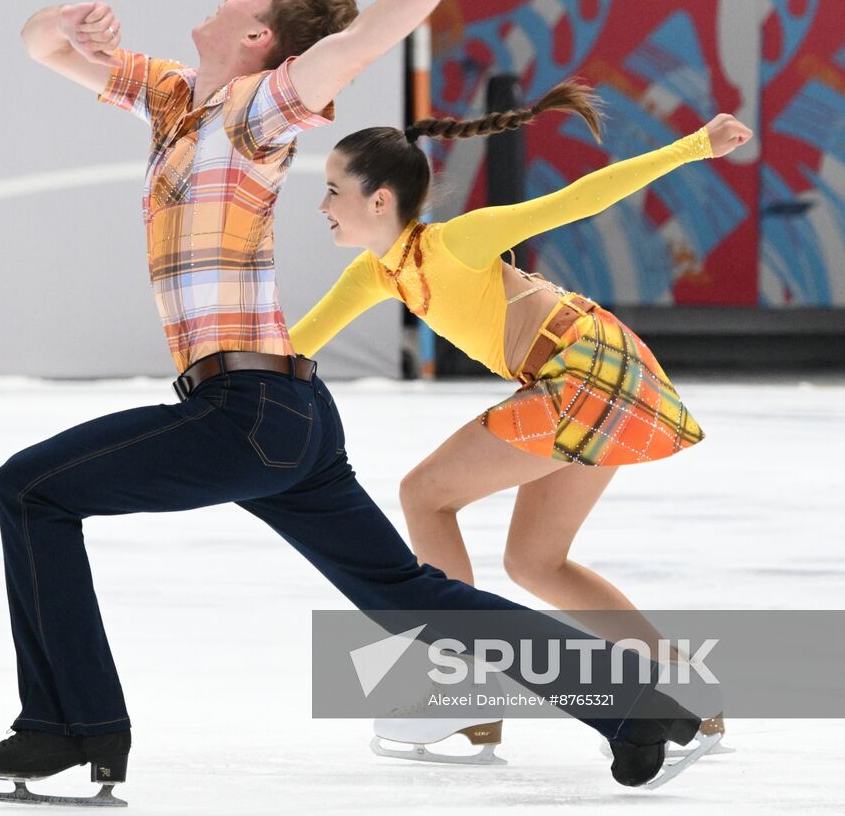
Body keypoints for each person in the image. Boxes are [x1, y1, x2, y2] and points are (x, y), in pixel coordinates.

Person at [0, 0, 712, 807]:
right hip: (286, 419)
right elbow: (40, 45)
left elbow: (355, 47)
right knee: (410, 595)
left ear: (260, 39)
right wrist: (63, 20)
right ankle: (634, 707)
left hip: (247, 411)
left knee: (29, 489)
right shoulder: (167, 98)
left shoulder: (257, 111)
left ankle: (72, 724)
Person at [289, 82, 751, 763]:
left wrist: (694, 147)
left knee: (425, 493)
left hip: (584, 368)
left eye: (333, 190)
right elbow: (294, 346)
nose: (322, 205)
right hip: (596, 370)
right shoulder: (378, 275)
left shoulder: (456, 242)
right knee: (535, 560)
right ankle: (683, 684)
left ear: (378, 200)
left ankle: (464, 690)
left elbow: (576, 199)